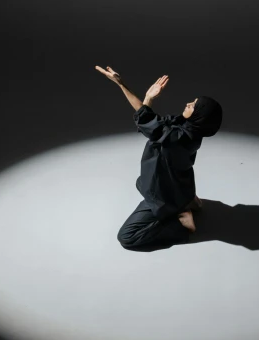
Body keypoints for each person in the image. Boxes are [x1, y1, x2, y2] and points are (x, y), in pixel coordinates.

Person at [95, 65, 223, 251]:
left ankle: (181, 223)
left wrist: (132, 90)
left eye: (193, 105)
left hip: (163, 197)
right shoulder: (188, 129)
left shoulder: (177, 138)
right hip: (180, 186)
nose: (188, 103)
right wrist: (127, 87)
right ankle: (187, 200)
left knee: (127, 237)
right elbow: (150, 119)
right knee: (143, 182)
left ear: (199, 116)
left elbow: (147, 121)